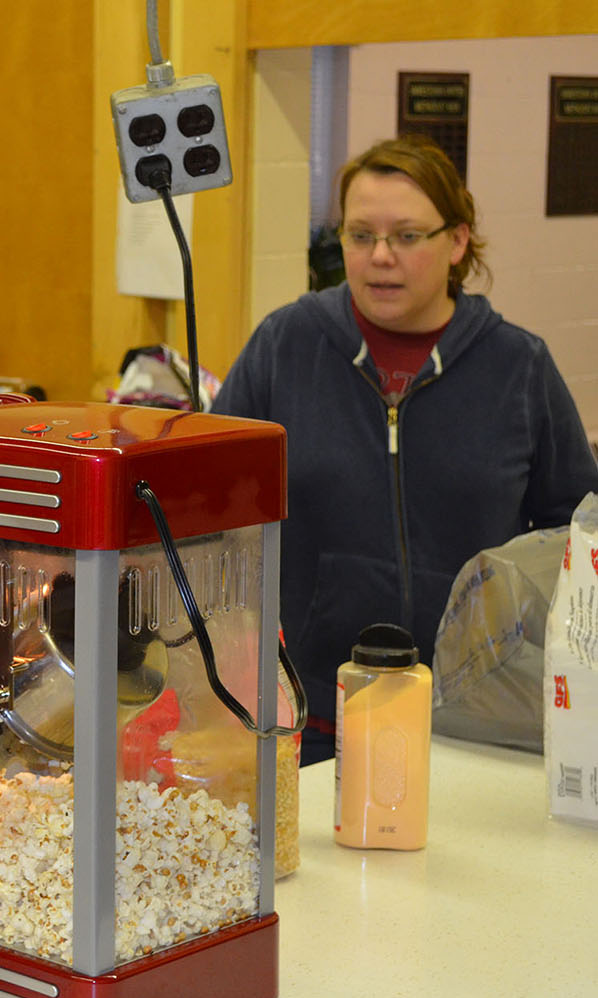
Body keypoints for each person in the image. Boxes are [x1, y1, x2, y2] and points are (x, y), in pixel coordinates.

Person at [211, 135, 598, 764]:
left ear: (457, 241)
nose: (380, 257)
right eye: (361, 235)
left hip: (474, 721)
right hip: (307, 714)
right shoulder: (286, 346)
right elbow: (209, 505)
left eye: (407, 236)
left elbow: (574, 539)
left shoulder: (518, 367)